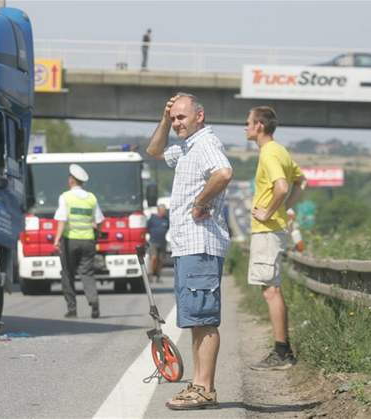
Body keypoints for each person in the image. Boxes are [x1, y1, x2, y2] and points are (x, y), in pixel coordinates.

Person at [146, 93, 233, 410]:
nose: (177, 122)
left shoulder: (206, 143)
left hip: (201, 243)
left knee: (204, 318)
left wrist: (201, 202)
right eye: (175, 118)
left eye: (182, 117)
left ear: (200, 116)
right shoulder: (186, 146)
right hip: (187, 245)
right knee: (196, 318)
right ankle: (199, 385)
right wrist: (164, 119)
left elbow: (223, 173)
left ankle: (204, 388)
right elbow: (154, 151)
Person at [244, 106, 305, 371]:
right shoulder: (279, 150)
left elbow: (282, 186)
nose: (244, 127)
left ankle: (282, 352)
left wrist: (268, 211)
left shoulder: (268, 153)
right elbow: (301, 182)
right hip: (274, 229)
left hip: (267, 230)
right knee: (272, 288)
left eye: (247, 122)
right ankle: (282, 350)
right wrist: (285, 208)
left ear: (259, 125)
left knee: (271, 290)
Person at [53, 164, 105, 319]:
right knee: (87, 273)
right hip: (88, 241)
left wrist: (56, 239)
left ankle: (72, 308)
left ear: (71, 181)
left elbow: (62, 219)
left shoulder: (65, 197)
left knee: (68, 274)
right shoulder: (91, 198)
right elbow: (99, 220)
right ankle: (94, 302)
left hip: (70, 241)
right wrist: (96, 230)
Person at [146, 204, 169, 282]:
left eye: (165, 210)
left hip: (162, 242)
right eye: (163, 210)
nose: (165, 212)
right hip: (153, 242)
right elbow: (147, 228)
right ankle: (150, 274)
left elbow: (168, 228)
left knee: (161, 260)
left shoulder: (166, 219)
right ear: (159, 210)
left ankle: (158, 275)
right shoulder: (152, 219)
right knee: (154, 258)